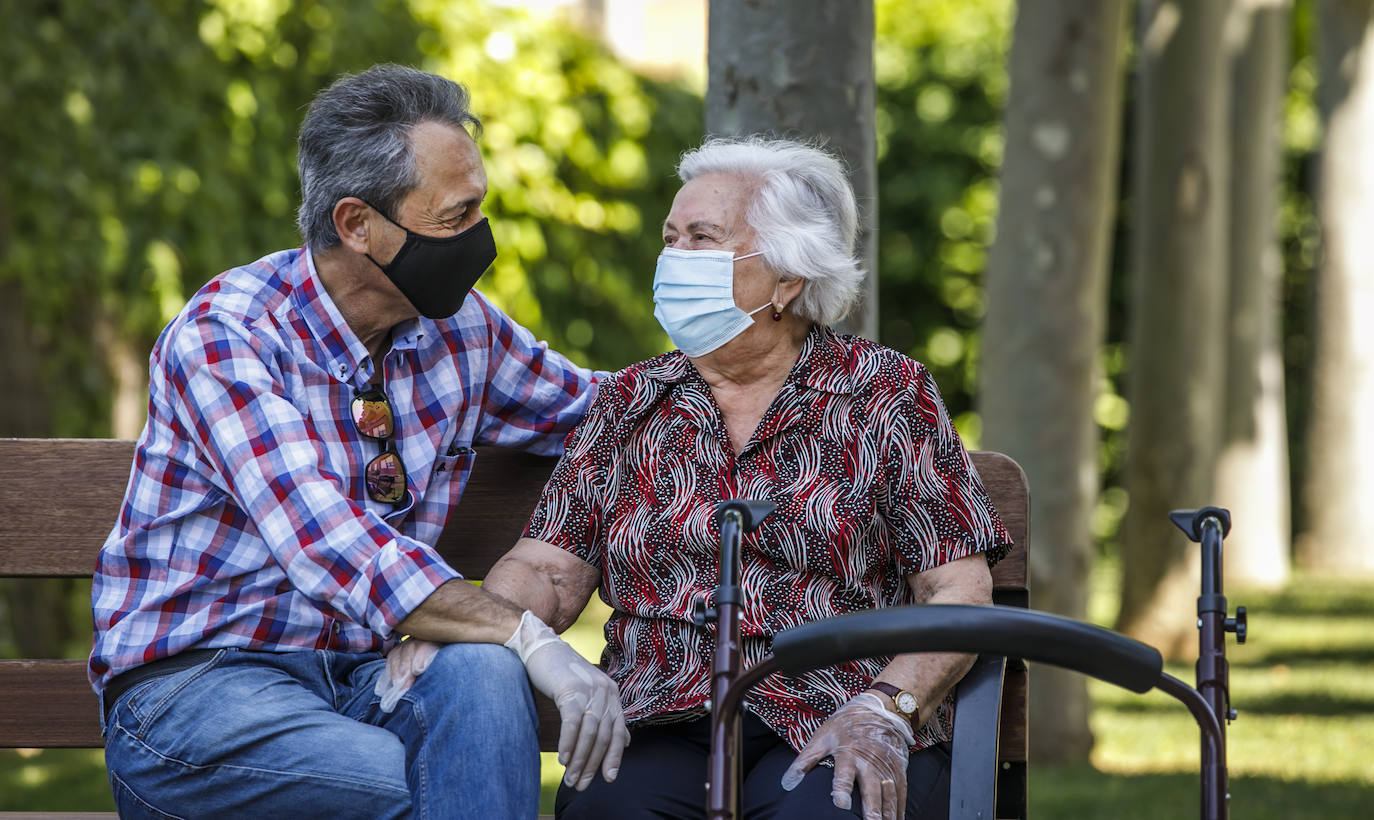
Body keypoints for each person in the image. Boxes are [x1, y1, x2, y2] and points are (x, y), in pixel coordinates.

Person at [388, 136, 1012, 819]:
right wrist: (467, 624)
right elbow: (549, 570)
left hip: (837, 707)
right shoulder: (632, 402)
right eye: (671, 239)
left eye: (702, 239)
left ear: (787, 277)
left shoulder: (884, 393)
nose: (674, 259)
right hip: (661, 714)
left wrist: (886, 708)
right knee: (611, 812)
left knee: (825, 809)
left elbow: (956, 589)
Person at [89, 64, 629, 819]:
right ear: (357, 225)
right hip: (197, 693)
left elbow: (619, 411)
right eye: (456, 216)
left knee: (478, 674)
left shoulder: (462, 329)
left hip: (368, 678)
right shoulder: (230, 332)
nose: (481, 239)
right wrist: (530, 637)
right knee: (425, 786)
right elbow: (323, 541)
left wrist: (785, 383)